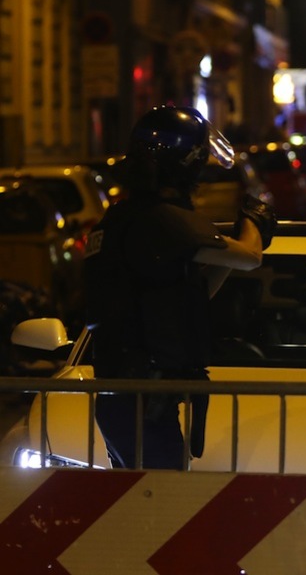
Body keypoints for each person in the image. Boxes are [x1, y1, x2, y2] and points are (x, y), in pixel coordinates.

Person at [84, 105, 277, 470]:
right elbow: (250, 256)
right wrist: (253, 219)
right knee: (158, 507)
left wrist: (222, 260)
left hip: (128, 397)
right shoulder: (163, 220)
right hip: (145, 399)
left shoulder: (124, 218)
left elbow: (187, 295)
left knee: (140, 505)